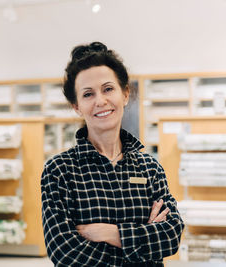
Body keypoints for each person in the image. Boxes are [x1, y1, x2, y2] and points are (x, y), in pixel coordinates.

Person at [41, 41, 184, 266]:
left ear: (125, 94)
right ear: (76, 106)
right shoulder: (60, 170)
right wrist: (142, 242)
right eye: (88, 94)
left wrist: (112, 234)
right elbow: (64, 251)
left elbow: (171, 235)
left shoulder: (149, 167)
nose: (100, 101)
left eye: (108, 89)